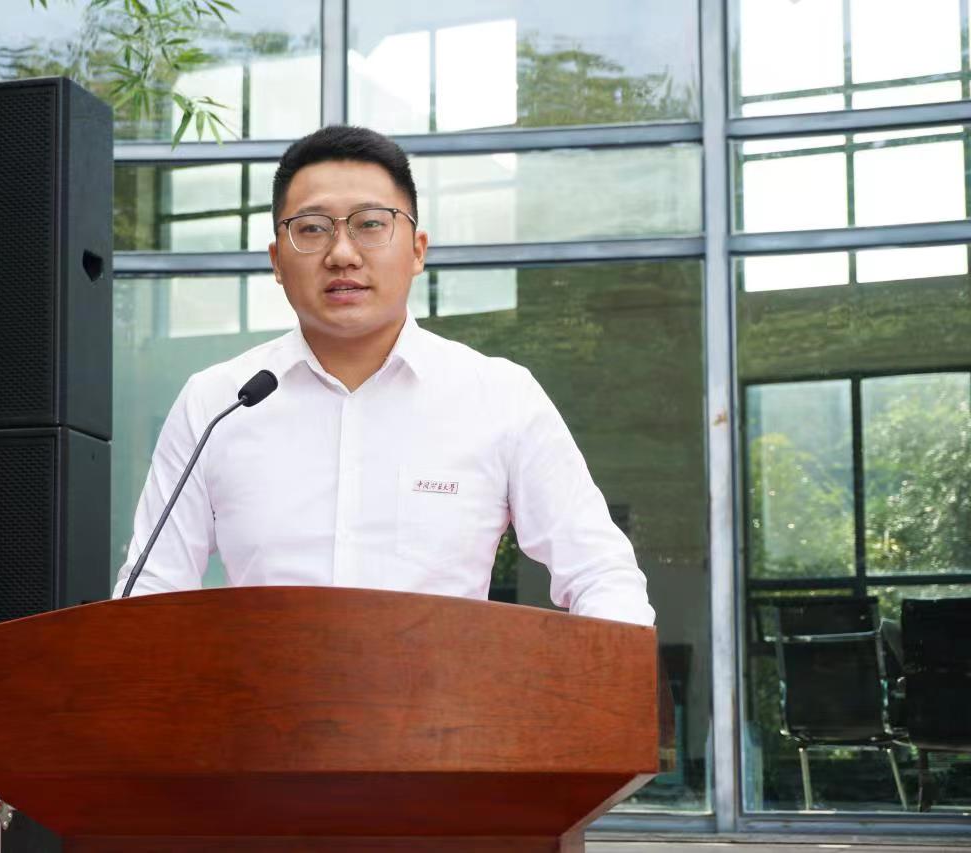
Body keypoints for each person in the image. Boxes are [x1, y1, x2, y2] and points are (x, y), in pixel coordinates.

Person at [113, 125, 654, 626]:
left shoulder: (499, 396)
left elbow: (601, 574)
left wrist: (593, 685)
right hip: (260, 700)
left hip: (449, 699)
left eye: (371, 224)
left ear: (417, 251)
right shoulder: (217, 402)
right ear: (276, 261)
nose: (342, 254)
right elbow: (150, 591)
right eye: (312, 229)